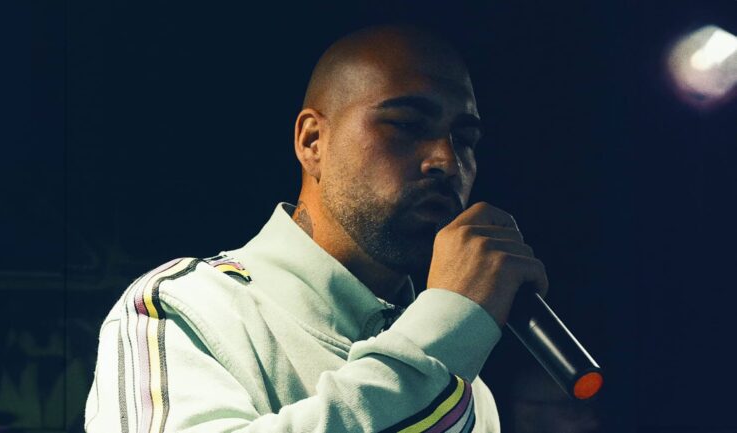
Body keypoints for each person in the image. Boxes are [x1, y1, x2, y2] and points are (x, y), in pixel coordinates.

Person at [84, 23, 549, 432]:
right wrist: (447, 330)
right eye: (406, 124)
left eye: (464, 139)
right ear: (312, 141)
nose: (447, 161)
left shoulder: (464, 387)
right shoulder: (180, 309)